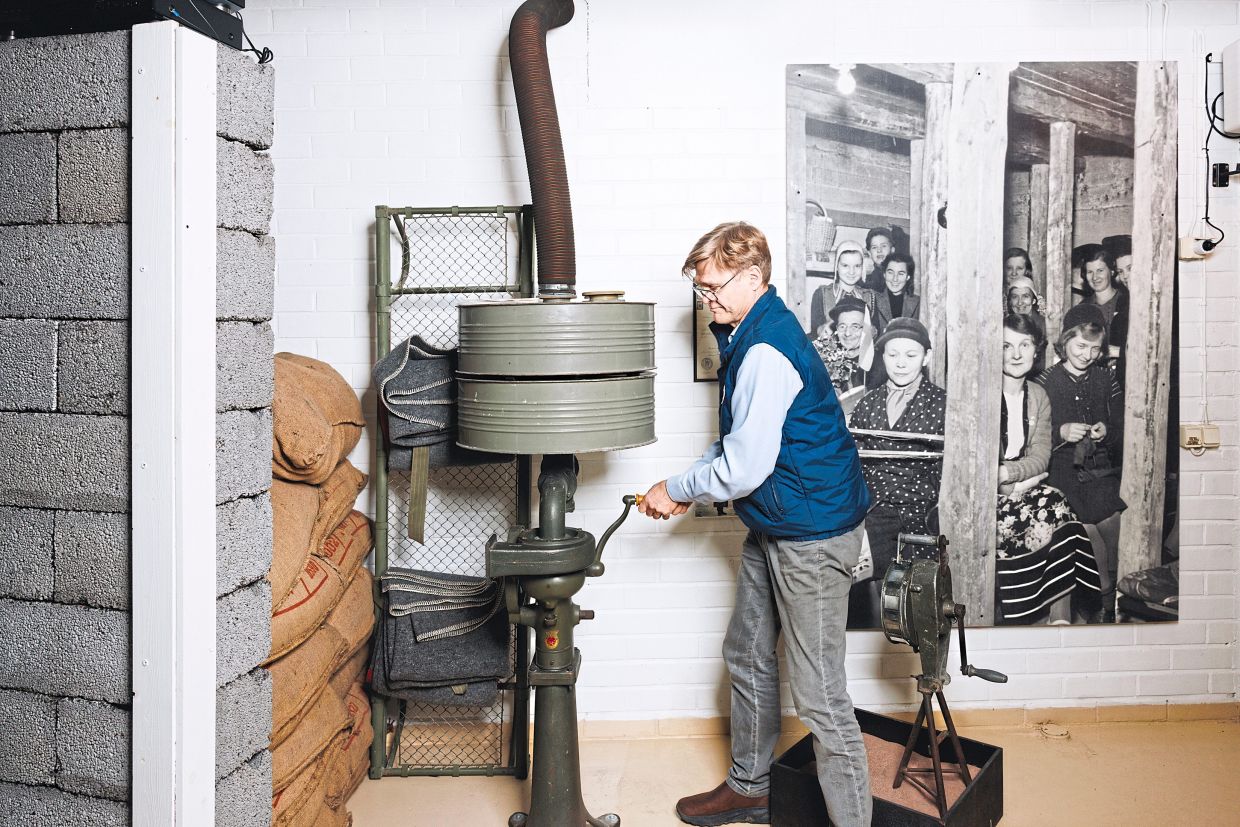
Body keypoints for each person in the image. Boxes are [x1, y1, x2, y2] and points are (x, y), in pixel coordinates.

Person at [640, 222, 872, 827]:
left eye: (714, 287)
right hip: (778, 519)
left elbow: (743, 468)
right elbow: (741, 445)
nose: (706, 300)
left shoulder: (766, 349)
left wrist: (679, 488)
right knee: (746, 651)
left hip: (812, 535)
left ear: (751, 277)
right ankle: (751, 788)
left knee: (820, 699)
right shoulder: (747, 331)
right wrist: (687, 485)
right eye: (700, 289)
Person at [995, 314, 1101, 624]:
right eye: (1006, 346)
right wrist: (1008, 481)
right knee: (1052, 508)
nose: (1016, 354)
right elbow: (980, 466)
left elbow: (1042, 458)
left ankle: (1060, 621)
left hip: (1017, 487)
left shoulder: (1037, 395)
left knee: (1057, 506)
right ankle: (1036, 617)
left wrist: (1007, 476)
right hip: (987, 498)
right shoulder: (984, 394)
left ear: (1036, 350)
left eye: (1025, 345)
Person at [847, 317, 947, 627]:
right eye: (893, 355)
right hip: (874, 510)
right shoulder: (867, 405)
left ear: (926, 358)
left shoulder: (943, 405)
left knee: (917, 602)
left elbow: (947, 471)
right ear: (882, 356)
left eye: (910, 355)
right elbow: (854, 466)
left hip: (922, 510)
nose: (901, 363)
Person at [1035, 303, 1127, 622]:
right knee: (1086, 531)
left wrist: (1107, 431)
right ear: (1065, 341)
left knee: (1113, 525)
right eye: (1081, 346)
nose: (1087, 355)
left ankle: (1115, 596)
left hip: (1099, 470)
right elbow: (1034, 437)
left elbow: (1121, 426)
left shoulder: (1106, 378)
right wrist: (1060, 431)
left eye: (1095, 349)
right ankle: (1101, 602)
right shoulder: (1046, 381)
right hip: (1061, 472)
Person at [809, 240, 875, 338]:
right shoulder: (822, 294)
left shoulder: (869, 296)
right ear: (836, 266)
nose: (851, 272)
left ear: (863, 267)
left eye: (857, 266)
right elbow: (815, 329)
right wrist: (821, 329)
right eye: (845, 265)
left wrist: (872, 331)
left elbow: (876, 331)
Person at [812, 294, 869, 397]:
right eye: (842, 326)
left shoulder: (878, 364)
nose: (847, 333)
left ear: (867, 328)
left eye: (855, 326)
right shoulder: (828, 360)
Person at [873, 251, 920, 338]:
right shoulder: (872, 300)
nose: (895, 279)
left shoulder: (917, 303)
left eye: (901, 273)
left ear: (908, 277)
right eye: (890, 272)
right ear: (884, 274)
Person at [862, 226, 895, 292]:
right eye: (874, 247)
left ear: (892, 250)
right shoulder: (866, 282)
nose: (879, 250)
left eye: (883, 246)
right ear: (869, 253)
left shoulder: (900, 278)